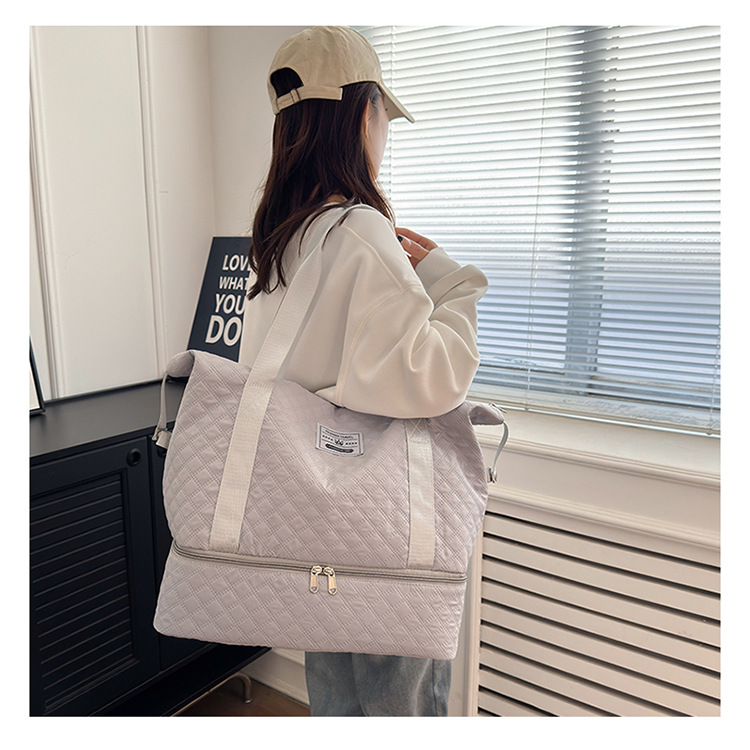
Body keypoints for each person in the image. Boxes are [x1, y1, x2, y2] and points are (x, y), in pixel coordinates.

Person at [238, 26, 488, 717]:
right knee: (400, 703)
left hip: (313, 519)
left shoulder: (281, 238)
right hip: (382, 521)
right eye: (383, 113)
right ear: (361, 114)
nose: (384, 133)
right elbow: (432, 380)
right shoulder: (361, 232)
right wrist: (455, 285)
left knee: (337, 696)